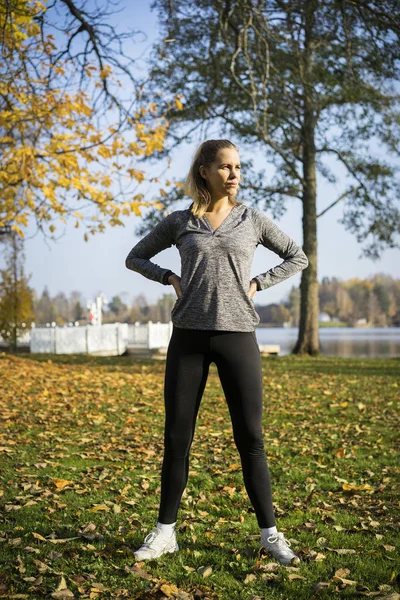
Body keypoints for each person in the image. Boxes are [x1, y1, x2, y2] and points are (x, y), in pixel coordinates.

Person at [125, 139, 308, 565]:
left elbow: (297, 257)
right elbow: (135, 257)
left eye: (238, 167)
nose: (234, 174)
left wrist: (259, 283)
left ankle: (270, 534)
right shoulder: (180, 221)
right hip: (188, 337)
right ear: (204, 171)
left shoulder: (252, 219)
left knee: (251, 439)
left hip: (238, 336)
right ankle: (165, 533)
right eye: (225, 167)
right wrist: (169, 275)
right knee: (177, 439)